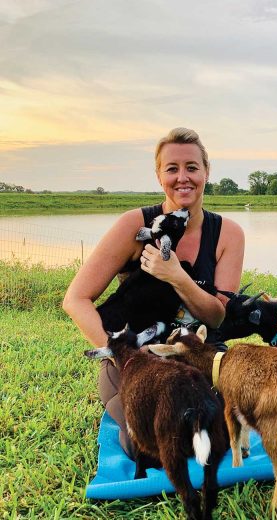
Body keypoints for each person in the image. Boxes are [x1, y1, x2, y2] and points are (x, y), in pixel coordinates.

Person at [63, 127, 245, 456]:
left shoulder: (228, 234)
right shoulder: (134, 225)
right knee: (148, 446)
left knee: (210, 433)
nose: (182, 177)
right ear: (159, 175)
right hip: (137, 362)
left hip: (197, 357)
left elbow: (217, 315)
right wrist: (122, 351)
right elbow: (75, 300)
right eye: (171, 168)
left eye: (192, 167)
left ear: (206, 171)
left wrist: (176, 276)